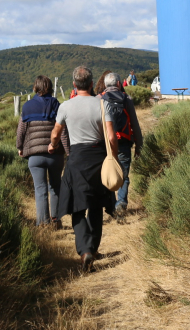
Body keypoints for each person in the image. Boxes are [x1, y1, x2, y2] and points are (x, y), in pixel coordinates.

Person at [50, 66, 118, 272]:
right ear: (90, 84)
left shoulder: (65, 106)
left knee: (77, 207)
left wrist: (53, 145)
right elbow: (112, 136)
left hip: (76, 158)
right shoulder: (102, 104)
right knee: (96, 205)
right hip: (98, 157)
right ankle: (93, 249)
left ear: (74, 85)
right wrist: (113, 157)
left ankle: (85, 250)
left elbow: (55, 133)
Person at [17, 75, 68, 227]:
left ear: (35, 87)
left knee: (40, 189)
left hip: (35, 156)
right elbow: (62, 131)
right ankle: (56, 220)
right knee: (55, 186)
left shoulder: (27, 106)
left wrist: (20, 147)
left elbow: (21, 131)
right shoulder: (56, 105)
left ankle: (43, 223)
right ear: (50, 88)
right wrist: (68, 151)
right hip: (55, 154)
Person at [99, 72, 143, 217]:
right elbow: (135, 125)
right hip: (123, 142)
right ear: (119, 84)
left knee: (107, 173)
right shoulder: (127, 99)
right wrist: (139, 145)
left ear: (105, 85)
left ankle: (110, 204)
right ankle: (121, 204)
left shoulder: (100, 99)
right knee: (123, 175)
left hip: (105, 144)